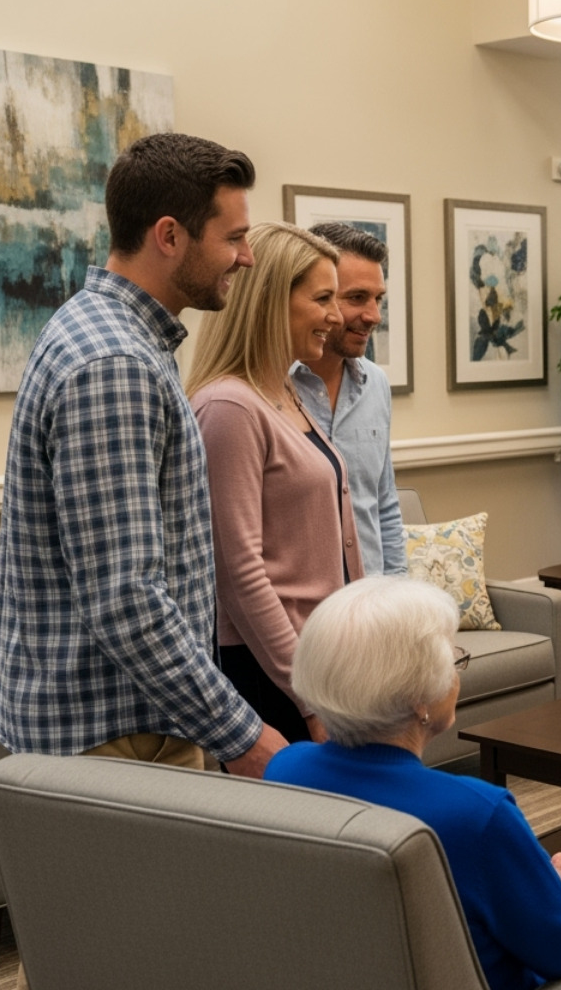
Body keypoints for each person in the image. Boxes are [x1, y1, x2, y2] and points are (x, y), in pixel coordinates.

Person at [0, 132, 284, 777]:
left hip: (115, 731)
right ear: (170, 235)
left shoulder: (101, 332)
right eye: (233, 238)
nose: (248, 257)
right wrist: (246, 737)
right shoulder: (116, 364)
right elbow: (126, 597)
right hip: (116, 741)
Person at [267, 576, 561, 990]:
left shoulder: (284, 769)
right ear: (421, 700)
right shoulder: (476, 812)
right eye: (453, 658)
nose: (456, 673)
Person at [187, 222, 364, 745]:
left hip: (319, 654)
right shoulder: (228, 407)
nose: (337, 317)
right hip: (271, 669)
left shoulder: (283, 391)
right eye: (323, 298)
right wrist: (305, 695)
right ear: (268, 300)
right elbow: (239, 573)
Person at [290, 222, 406, 577]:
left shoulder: (376, 384)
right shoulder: (266, 390)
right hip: (301, 620)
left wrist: (398, 594)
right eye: (357, 298)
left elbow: (383, 504)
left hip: (372, 608)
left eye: (378, 299)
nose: (374, 315)